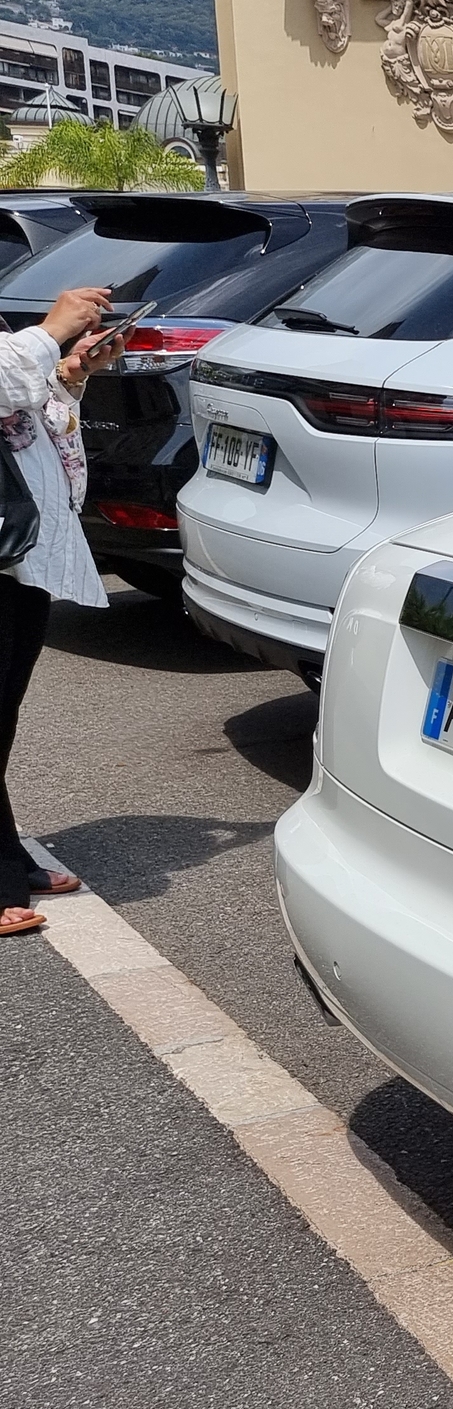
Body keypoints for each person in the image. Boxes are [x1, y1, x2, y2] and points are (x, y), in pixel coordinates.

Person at [0, 286, 121, 936]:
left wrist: (69, 376)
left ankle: (7, 858)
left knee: (3, 714)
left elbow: (26, 414)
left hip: (20, 542)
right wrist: (48, 335)